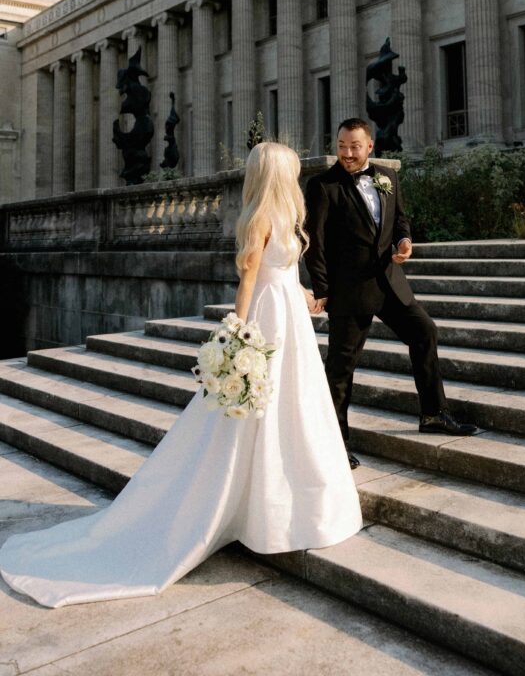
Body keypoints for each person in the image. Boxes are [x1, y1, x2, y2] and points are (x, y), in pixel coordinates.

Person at [0, 142, 362, 608]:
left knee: (296, 406)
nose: (294, 178)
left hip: (291, 314)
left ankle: (291, 503)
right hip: (267, 320)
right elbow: (248, 282)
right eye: (289, 170)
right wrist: (239, 336)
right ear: (278, 175)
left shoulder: (289, 218)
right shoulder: (259, 220)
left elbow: (287, 275)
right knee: (259, 410)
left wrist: (308, 298)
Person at [305, 118, 477, 469]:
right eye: (341, 145)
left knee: (424, 331)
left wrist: (405, 241)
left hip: (389, 283)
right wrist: (321, 288)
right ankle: (336, 444)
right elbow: (315, 243)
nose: (347, 153)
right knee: (341, 369)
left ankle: (433, 415)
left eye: (354, 146)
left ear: (370, 146)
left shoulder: (388, 176)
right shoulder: (322, 186)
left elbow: (400, 219)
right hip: (349, 291)